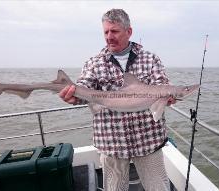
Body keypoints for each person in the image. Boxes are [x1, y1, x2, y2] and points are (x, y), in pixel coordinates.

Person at [59, 9, 175, 191]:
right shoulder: (94, 63)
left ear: (129, 32)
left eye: (114, 31)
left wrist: (168, 97)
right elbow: (84, 92)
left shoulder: (150, 59)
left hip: (148, 139)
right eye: (106, 32)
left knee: (159, 187)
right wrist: (73, 97)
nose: (109, 36)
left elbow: (161, 84)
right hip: (111, 141)